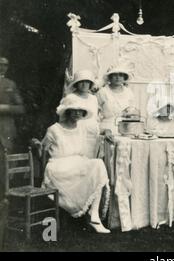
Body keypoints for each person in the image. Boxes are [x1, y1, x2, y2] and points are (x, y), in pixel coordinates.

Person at [41, 95, 111, 233]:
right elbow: (42, 151)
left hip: (77, 162)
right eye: (74, 110)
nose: (78, 113)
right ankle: (91, 216)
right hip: (58, 167)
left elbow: (98, 131)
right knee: (96, 166)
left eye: (80, 111)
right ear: (67, 111)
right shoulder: (54, 129)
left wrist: (107, 130)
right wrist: (36, 145)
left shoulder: (81, 128)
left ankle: (94, 215)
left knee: (98, 165)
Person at [0, 57, 25, 200]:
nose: (2, 67)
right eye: (0, 64)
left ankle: (4, 203)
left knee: (3, 169)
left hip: (4, 133)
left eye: (5, 65)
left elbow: (21, 108)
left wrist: (4, 108)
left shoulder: (10, 84)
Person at [63, 70, 99, 157]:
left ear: (90, 84)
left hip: (92, 136)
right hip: (76, 135)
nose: (84, 85)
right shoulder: (70, 98)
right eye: (81, 82)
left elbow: (95, 117)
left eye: (87, 82)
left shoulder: (93, 99)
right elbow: (64, 118)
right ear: (76, 84)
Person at [97, 65, 137, 137]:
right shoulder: (103, 92)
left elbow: (132, 112)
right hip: (107, 129)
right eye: (115, 75)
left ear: (124, 77)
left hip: (126, 129)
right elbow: (95, 114)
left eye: (120, 75)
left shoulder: (129, 92)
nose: (118, 78)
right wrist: (102, 130)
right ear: (110, 77)